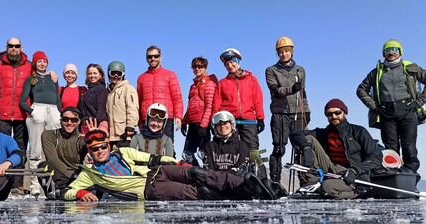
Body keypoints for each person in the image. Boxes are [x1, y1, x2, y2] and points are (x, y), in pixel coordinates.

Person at [62, 130, 273, 201]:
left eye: (103, 146)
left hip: (158, 172)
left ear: (108, 145)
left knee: (200, 173)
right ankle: (240, 195)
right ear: (90, 152)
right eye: (95, 149)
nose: (100, 151)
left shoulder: (122, 152)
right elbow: (68, 192)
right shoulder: (89, 174)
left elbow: (152, 158)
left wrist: (178, 163)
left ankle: (250, 184)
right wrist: (80, 194)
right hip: (150, 189)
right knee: (197, 191)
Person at [356, 39, 426, 179]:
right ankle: (393, 175)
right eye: (388, 50)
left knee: (409, 146)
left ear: (400, 52)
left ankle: (411, 173)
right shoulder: (377, 72)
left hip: (408, 110)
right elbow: (361, 90)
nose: (391, 53)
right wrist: (375, 107)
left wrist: (418, 102)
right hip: (386, 113)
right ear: (383, 53)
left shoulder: (410, 68)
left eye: (395, 50)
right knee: (390, 148)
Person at [289, 98, 383, 199]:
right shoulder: (325, 133)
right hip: (332, 168)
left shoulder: (358, 131)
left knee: (327, 187)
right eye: (329, 114)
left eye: (337, 112)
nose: (334, 116)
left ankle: (357, 192)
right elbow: (295, 134)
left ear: (345, 113)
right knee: (308, 139)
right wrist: (306, 147)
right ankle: (313, 182)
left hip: (354, 174)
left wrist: (355, 170)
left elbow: (376, 157)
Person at [265, 36, 310, 184]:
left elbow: (302, 92)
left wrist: (306, 110)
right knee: (279, 148)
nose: (283, 54)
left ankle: (304, 181)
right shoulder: (271, 70)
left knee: (301, 148)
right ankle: (275, 182)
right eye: (281, 52)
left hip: (297, 112)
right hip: (280, 113)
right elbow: (275, 90)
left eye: (286, 51)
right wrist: (291, 89)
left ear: (291, 51)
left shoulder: (300, 70)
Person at [212, 48, 266, 161]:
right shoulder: (222, 83)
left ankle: (257, 176)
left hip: (249, 121)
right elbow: (216, 105)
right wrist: (214, 122)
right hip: (229, 122)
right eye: (227, 64)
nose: (230, 66)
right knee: (230, 151)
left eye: (232, 62)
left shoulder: (251, 80)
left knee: (252, 152)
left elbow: (258, 100)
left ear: (238, 62)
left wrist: (260, 118)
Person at [20, 51, 61, 196]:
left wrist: (59, 113)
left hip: (53, 112)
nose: (42, 64)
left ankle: (54, 183)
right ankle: (35, 185)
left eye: (44, 61)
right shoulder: (31, 79)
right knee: (35, 150)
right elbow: (22, 101)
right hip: (37, 110)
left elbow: (57, 99)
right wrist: (32, 112)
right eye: (39, 61)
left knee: (53, 150)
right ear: (35, 63)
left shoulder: (53, 78)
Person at [137, 45, 184, 142]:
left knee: (167, 147)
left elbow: (177, 97)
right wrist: (140, 121)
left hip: (166, 118)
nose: (153, 59)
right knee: (147, 149)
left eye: (156, 56)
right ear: (146, 58)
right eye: (150, 57)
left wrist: (178, 116)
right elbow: (139, 100)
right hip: (148, 118)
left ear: (160, 57)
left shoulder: (170, 75)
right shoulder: (141, 78)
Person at [0, 36, 32, 148]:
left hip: (23, 113)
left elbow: (40, 79)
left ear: (21, 48)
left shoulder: (30, 66)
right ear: (6, 48)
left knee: (21, 146)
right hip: (3, 113)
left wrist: (51, 74)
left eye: (16, 46)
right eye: (10, 46)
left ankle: (19, 165)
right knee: (2, 145)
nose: (13, 48)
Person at [41, 106, 87, 191]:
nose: (69, 123)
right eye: (66, 119)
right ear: (60, 120)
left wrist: (92, 140)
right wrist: (72, 175)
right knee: (44, 166)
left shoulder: (82, 139)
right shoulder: (49, 135)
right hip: (61, 175)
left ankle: (67, 191)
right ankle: (59, 191)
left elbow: (93, 157)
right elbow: (53, 160)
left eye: (74, 120)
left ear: (79, 122)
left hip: (78, 176)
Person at [182, 56, 217, 164]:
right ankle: (195, 175)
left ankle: (209, 176)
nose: (197, 69)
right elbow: (191, 105)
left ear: (205, 67)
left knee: (203, 153)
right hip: (192, 123)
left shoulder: (210, 84)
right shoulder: (193, 86)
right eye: (194, 66)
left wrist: (204, 125)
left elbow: (209, 105)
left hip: (203, 124)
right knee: (187, 154)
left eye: (200, 66)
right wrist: (184, 121)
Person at [105, 60, 139, 147]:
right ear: (108, 74)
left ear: (123, 75)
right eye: (113, 73)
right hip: (111, 137)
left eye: (119, 74)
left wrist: (130, 126)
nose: (116, 76)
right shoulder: (109, 92)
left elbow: (132, 108)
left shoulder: (128, 88)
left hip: (124, 135)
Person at [81, 63, 109, 134]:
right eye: (90, 73)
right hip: (88, 124)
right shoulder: (88, 90)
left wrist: (96, 129)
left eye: (95, 73)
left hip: (97, 125)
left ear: (100, 75)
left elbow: (101, 110)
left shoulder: (101, 89)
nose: (92, 75)